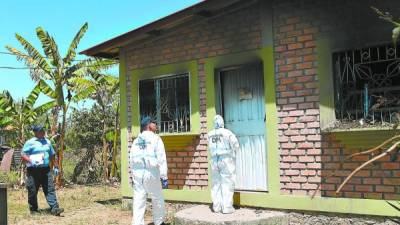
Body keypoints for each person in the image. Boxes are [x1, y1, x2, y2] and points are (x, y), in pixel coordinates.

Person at [128, 117, 168, 225]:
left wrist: (132, 175)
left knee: (138, 200)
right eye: (153, 122)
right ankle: (159, 222)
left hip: (138, 175)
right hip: (152, 173)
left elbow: (131, 160)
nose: (155, 124)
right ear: (148, 125)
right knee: (157, 198)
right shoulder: (156, 139)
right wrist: (164, 177)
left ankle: (137, 223)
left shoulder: (136, 141)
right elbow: (161, 158)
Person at [21, 125, 64, 216]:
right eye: (41, 131)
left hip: (46, 170)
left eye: (43, 130)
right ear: (35, 132)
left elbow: (52, 155)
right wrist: (30, 160)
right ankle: (33, 210)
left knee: (50, 189)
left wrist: (55, 166)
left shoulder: (47, 142)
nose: (43, 132)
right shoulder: (30, 142)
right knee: (32, 190)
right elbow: (23, 154)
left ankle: (55, 208)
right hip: (33, 170)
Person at [207, 115, 239, 214]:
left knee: (216, 183)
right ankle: (227, 207)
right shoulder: (227, 133)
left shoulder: (209, 134)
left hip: (214, 160)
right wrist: (232, 154)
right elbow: (236, 145)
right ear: (222, 122)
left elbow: (209, 147)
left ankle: (216, 207)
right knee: (227, 182)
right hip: (225, 159)